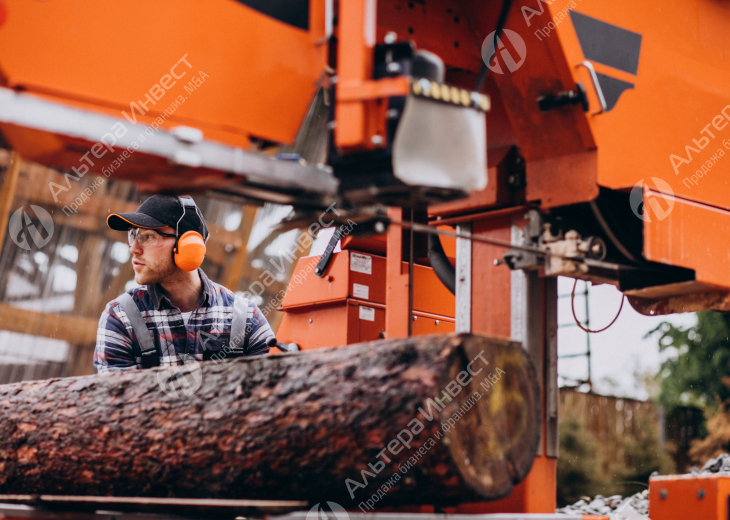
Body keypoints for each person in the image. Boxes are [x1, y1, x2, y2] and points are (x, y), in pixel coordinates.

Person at [93, 194, 274, 373]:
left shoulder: (245, 318)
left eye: (147, 236)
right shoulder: (120, 317)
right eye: (133, 235)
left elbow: (272, 389)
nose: (133, 248)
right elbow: (118, 399)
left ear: (188, 245)